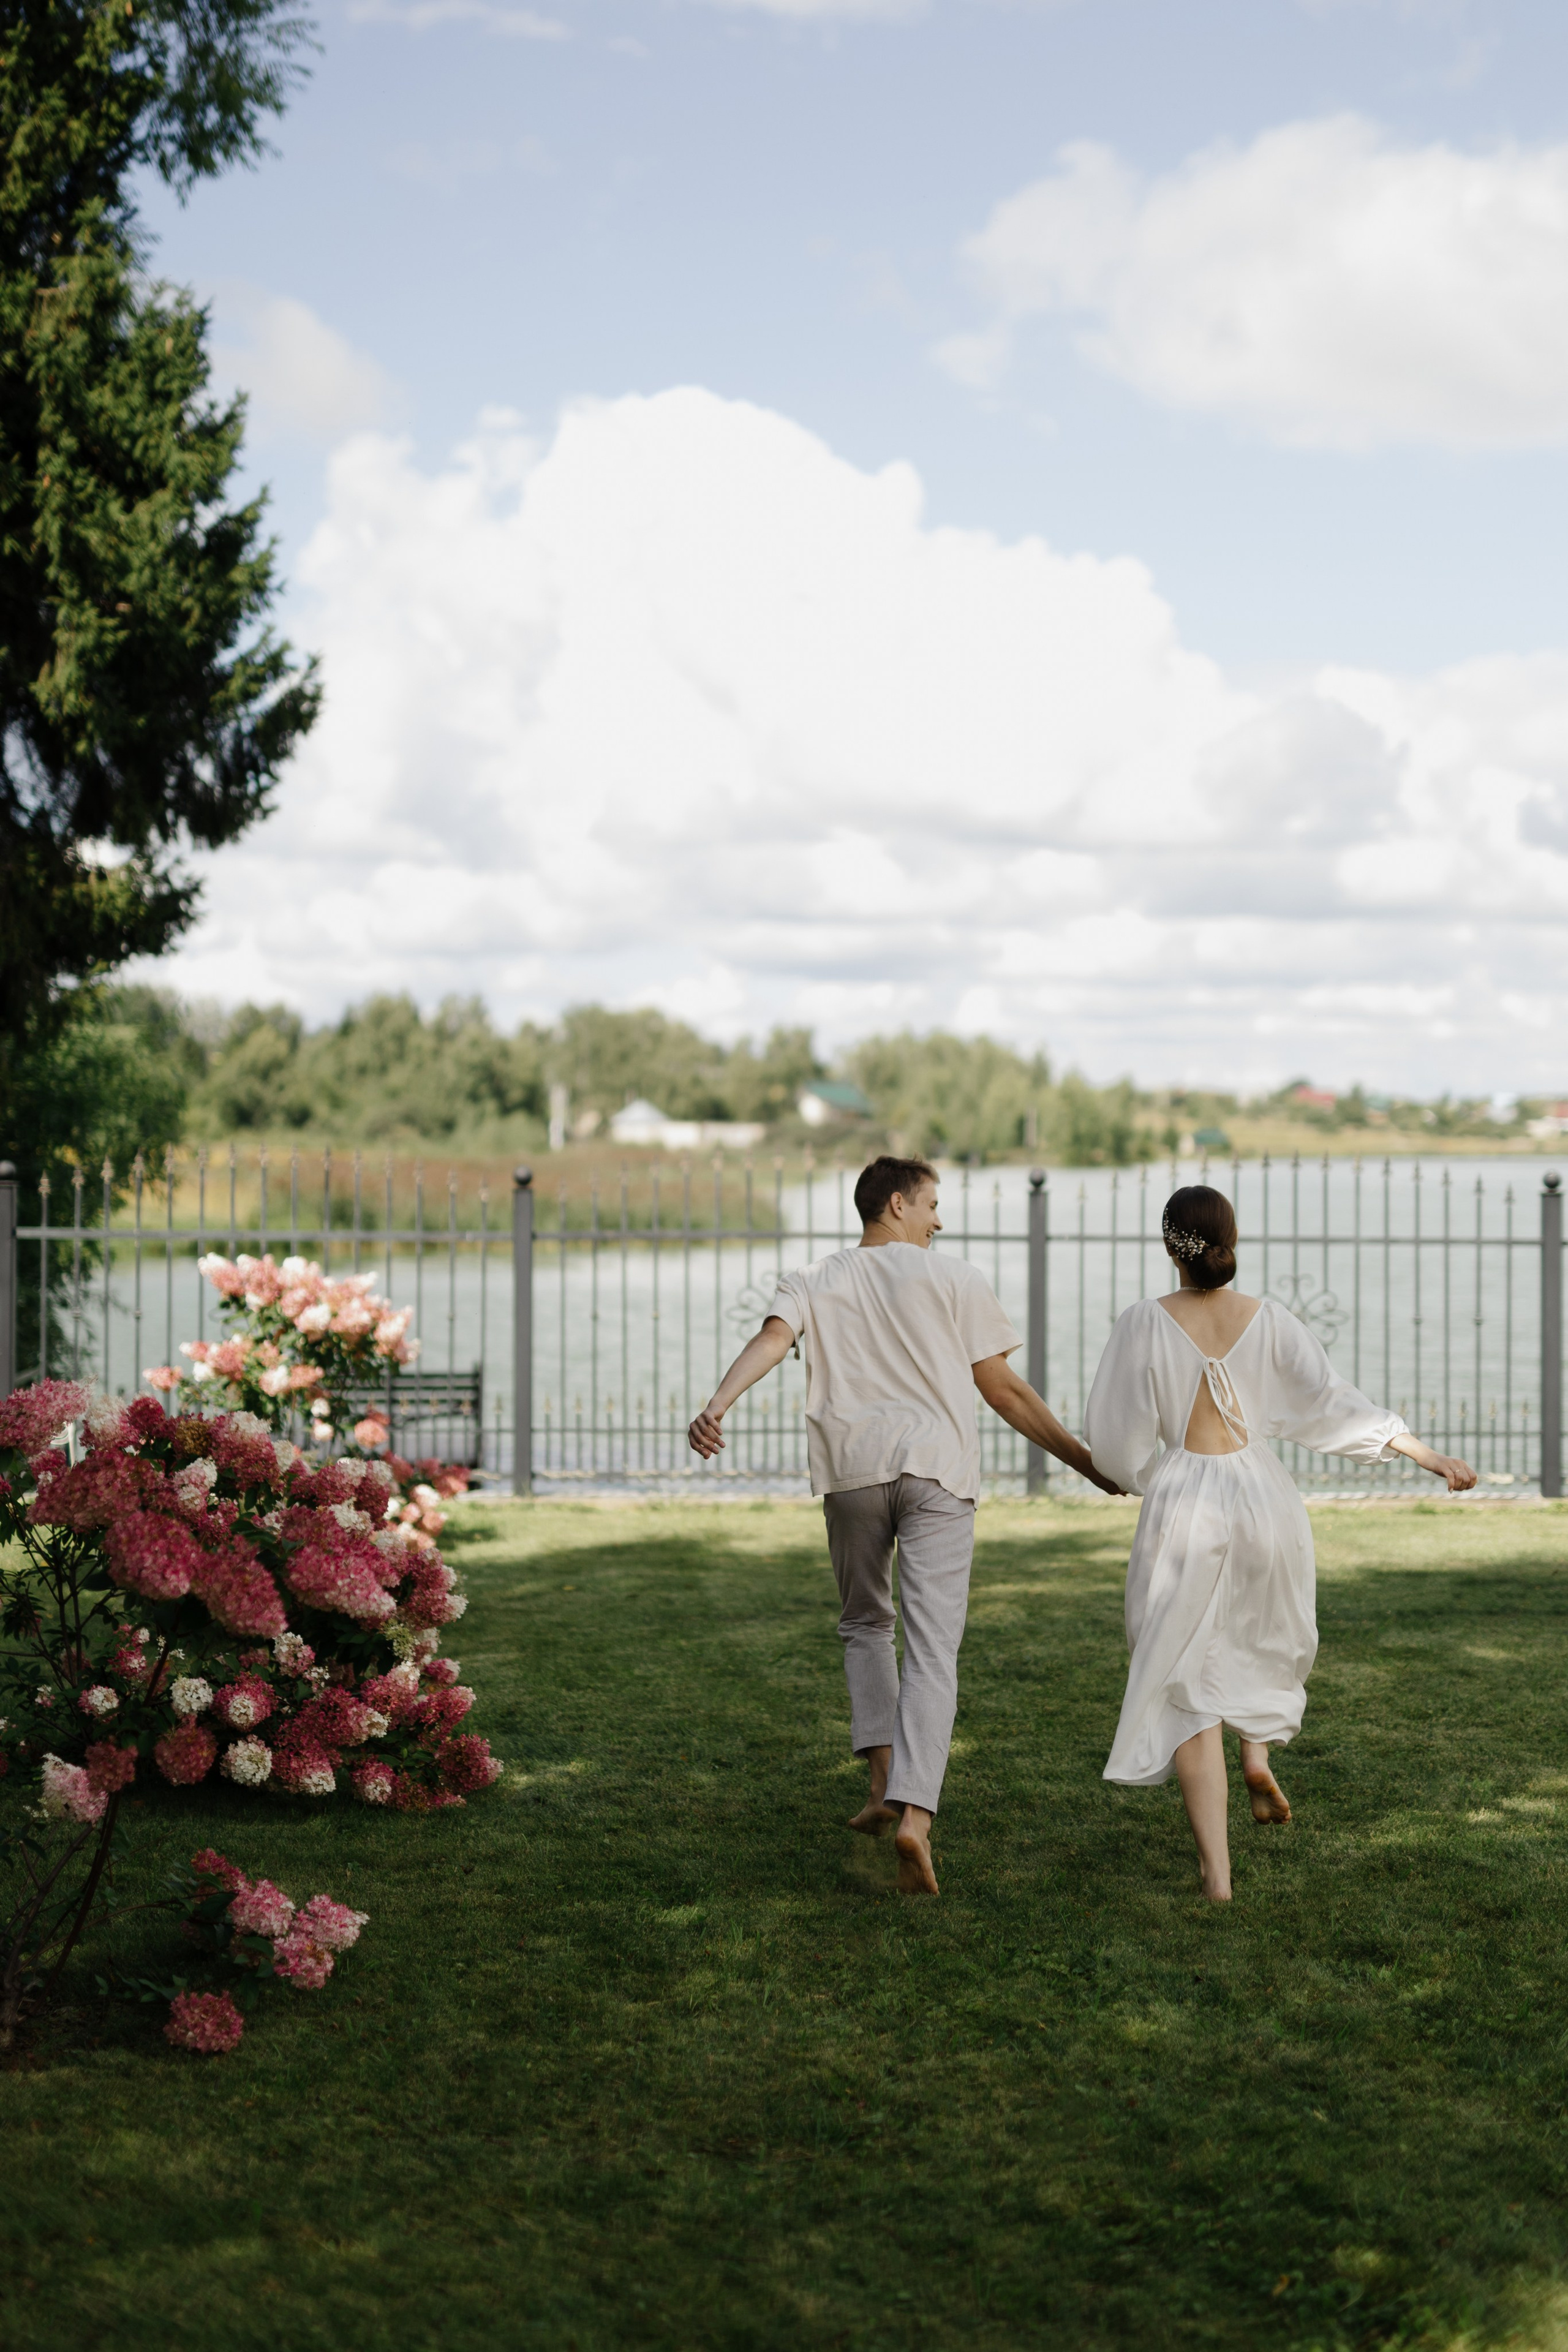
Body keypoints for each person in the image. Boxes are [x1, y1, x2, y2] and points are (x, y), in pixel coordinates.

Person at [688, 1154, 1115, 1895]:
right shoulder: (954, 1278)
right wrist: (1082, 1462)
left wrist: (717, 1405)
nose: (938, 1221)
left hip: (853, 1473)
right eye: (930, 1206)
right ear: (894, 1205)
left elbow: (769, 1340)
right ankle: (915, 1814)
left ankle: (882, 1780)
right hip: (936, 1473)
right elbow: (1003, 1389)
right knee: (933, 1649)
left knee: (864, 1625)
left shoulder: (815, 1278)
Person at [1083, 1183, 1476, 1902]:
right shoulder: (1270, 1320)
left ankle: (1218, 1876)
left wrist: (1137, 1475)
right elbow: (1332, 1404)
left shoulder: (1143, 1322)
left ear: (1169, 1246)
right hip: (1263, 1498)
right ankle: (1256, 1753)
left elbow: (1115, 1439)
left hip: (1188, 1500)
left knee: (1184, 1678)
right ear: (1229, 1239)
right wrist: (1422, 1453)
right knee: (1254, 1630)